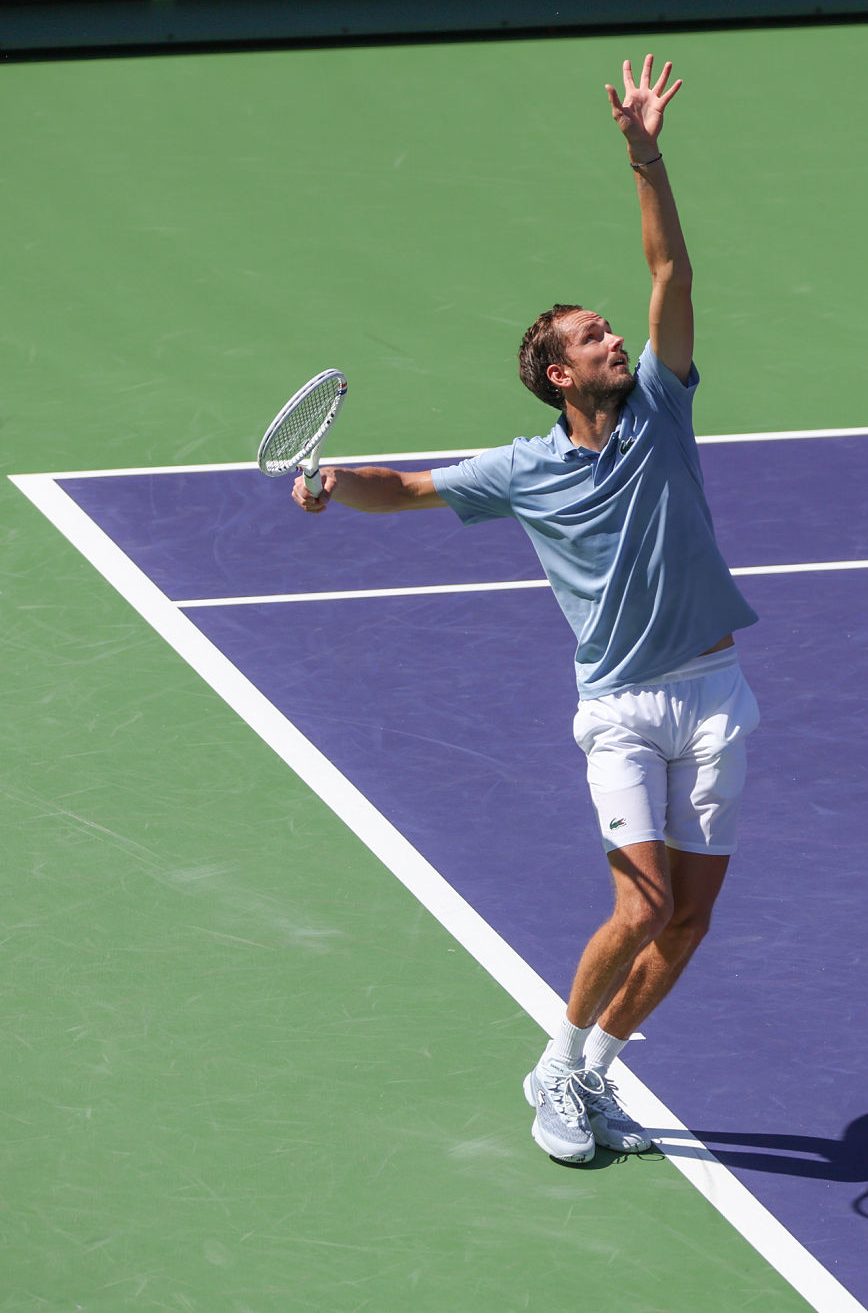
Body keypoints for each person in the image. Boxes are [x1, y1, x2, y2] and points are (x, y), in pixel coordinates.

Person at [292, 56, 759, 1164]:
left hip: (714, 693)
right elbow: (406, 487)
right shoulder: (521, 469)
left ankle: (596, 1073)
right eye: (592, 337)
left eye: (611, 329)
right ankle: (553, 1065)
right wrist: (334, 481)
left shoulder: (662, 407)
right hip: (620, 711)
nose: (614, 340)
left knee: (689, 920)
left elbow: (671, 269)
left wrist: (644, 155)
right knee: (640, 909)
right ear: (557, 375)